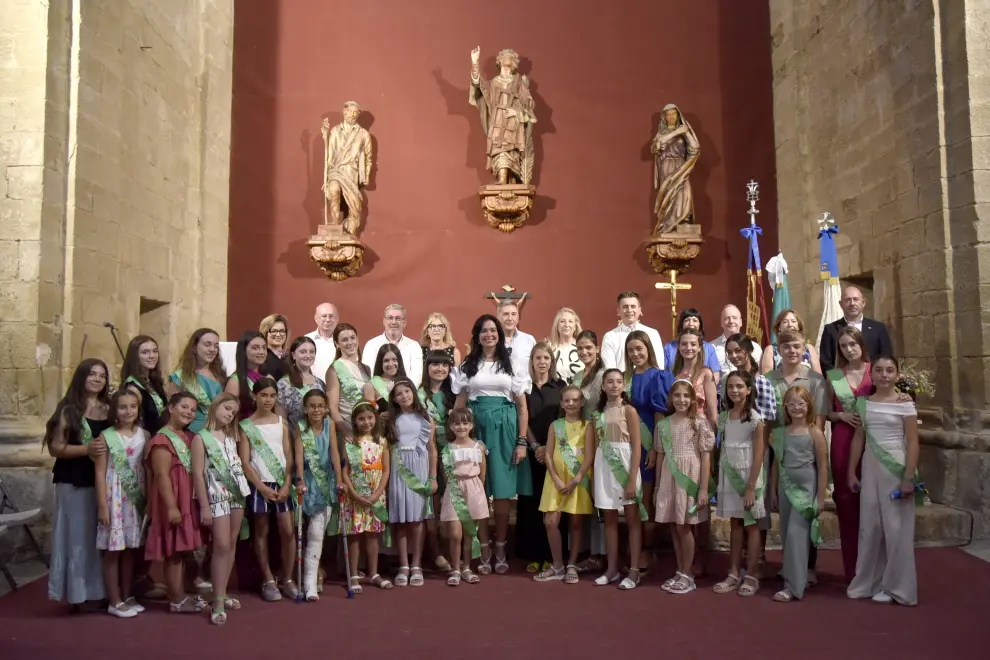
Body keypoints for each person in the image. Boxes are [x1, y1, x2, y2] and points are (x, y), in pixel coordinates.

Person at [453, 314, 532, 576]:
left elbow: (522, 408)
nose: (489, 335)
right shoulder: (467, 366)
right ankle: (483, 546)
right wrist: (457, 439)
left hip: (505, 428)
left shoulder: (512, 365)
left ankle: (500, 546)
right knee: (477, 489)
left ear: (499, 334)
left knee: (502, 491)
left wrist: (522, 441)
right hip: (476, 427)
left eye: (493, 330)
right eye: (484, 331)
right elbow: (460, 404)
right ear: (477, 336)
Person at [847, 357, 920, 606]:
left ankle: (898, 587)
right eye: (878, 370)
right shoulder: (864, 403)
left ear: (897, 375)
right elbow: (859, 438)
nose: (884, 375)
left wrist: (908, 477)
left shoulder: (905, 404)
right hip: (870, 467)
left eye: (890, 370)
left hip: (896, 467)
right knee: (870, 526)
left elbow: (912, 442)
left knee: (896, 529)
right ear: (872, 375)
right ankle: (869, 582)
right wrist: (850, 472)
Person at [44, 358, 110, 611]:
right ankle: (77, 594)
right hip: (74, 480)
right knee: (77, 539)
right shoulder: (69, 410)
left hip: (102, 481)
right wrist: (85, 449)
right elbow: (55, 448)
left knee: (97, 538)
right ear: (81, 377)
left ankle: (98, 590)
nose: (97, 379)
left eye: (102, 376)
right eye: (92, 374)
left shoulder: (108, 408)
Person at [764, 330, 828, 582]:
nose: (791, 350)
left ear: (804, 349)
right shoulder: (769, 379)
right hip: (777, 448)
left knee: (806, 509)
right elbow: (767, 418)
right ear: (778, 349)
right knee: (786, 510)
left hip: (805, 450)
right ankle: (789, 564)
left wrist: (811, 446)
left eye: (797, 346)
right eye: (786, 346)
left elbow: (820, 418)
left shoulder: (815, 380)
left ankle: (808, 567)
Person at [191, 393, 251, 624]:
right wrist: (204, 506)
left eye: (233, 412)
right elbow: (197, 473)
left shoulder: (229, 436)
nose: (229, 414)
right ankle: (216, 600)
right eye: (226, 408)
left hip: (235, 493)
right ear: (215, 406)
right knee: (221, 545)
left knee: (232, 542)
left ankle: (222, 592)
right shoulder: (200, 438)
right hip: (215, 494)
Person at [238, 378, 299, 602]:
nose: (268, 400)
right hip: (259, 484)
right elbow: (245, 461)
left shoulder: (281, 422)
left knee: (287, 531)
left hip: (281, 482)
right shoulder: (246, 426)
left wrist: (286, 483)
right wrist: (262, 487)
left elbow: (289, 456)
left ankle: (288, 577)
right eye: (263, 395)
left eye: (272, 396)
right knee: (261, 532)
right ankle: (267, 578)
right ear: (255, 396)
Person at [144, 392, 205, 613]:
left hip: (186, 498)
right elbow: (161, 476)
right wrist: (171, 506)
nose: (189, 412)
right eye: (184, 407)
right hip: (173, 500)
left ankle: (180, 594)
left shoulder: (187, 436)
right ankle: (177, 599)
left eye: (192, 409)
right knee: (173, 550)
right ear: (171, 408)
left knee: (182, 550)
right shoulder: (162, 439)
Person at [655, 379, 715, 595]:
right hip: (668, 479)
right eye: (677, 395)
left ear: (693, 399)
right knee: (673, 523)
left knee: (685, 525)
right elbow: (661, 457)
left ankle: (688, 573)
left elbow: (706, 458)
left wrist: (703, 489)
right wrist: (657, 489)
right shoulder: (663, 424)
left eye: (686, 396)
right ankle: (680, 570)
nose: (681, 400)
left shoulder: (699, 423)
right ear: (671, 398)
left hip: (690, 476)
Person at [768, 386, 828, 603]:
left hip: (806, 487)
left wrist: (820, 497)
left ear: (808, 405)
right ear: (785, 407)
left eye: (800, 403)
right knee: (786, 533)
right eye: (791, 404)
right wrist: (773, 489)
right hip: (785, 486)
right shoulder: (780, 434)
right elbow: (776, 463)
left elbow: (822, 467)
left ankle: (794, 587)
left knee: (797, 534)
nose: (796, 408)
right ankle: (793, 575)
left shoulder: (815, 432)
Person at [95, 388, 148, 618]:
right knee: (113, 550)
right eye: (123, 407)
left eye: (133, 406)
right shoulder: (106, 436)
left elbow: (147, 468)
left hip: (135, 496)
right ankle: (114, 600)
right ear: (115, 410)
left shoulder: (145, 435)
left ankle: (127, 595)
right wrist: (102, 506)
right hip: (114, 496)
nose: (128, 411)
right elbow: (99, 473)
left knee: (130, 549)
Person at [624, 329, 674, 573]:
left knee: (645, 501)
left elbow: (659, 415)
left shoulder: (658, 376)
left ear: (648, 350)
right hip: (628, 447)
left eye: (639, 349)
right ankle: (636, 548)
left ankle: (645, 551)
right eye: (631, 350)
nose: (635, 354)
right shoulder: (626, 378)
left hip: (649, 446)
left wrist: (656, 448)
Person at [825, 326, 872, 583]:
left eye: (852, 344)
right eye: (843, 346)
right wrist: (840, 415)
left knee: (872, 506)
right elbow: (824, 413)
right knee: (847, 505)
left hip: (872, 442)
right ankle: (853, 572)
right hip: (843, 440)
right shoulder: (835, 376)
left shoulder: (875, 370)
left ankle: (874, 570)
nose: (848, 349)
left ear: (861, 345)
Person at [713, 371, 765, 597]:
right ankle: (734, 572)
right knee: (735, 523)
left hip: (748, 477)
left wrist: (751, 486)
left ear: (749, 389)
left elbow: (759, 454)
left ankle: (752, 574)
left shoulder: (755, 419)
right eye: (731, 386)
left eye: (739, 386)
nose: (735, 391)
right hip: (729, 473)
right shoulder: (724, 417)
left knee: (751, 524)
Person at [590, 369, 644, 590]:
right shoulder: (597, 414)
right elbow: (595, 447)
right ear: (603, 386)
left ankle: (634, 570)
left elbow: (637, 446)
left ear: (624, 386)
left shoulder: (629, 411)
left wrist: (632, 478)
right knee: (609, 520)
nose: (614, 385)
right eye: (609, 382)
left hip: (625, 464)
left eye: (618, 382)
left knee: (632, 519)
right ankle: (612, 569)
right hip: (603, 465)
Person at [535, 385, 594, 584]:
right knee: (550, 522)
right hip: (555, 480)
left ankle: (571, 564)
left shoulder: (588, 425)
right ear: (561, 403)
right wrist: (557, 479)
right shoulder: (555, 425)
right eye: (567, 400)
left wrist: (577, 478)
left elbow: (589, 455)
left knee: (576, 524)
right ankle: (558, 564)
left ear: (582, 402)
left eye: (575, 400)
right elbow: (549, 455)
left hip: (578, 479)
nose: (571, 404)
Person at [384, 379, 437, 587]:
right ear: (394, 399)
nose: (404, 395)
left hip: (419, 470)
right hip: (398, 470)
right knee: (400, 519)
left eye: (407, 391)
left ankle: (416, 564)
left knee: (417, 519)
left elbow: (432, 449)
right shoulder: (390, 420)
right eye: (399, 393)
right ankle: (403, 564)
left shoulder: (425, 419)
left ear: (414, 393)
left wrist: (432, 477)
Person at [518, 343, 565, 573]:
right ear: (532, 361)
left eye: (546, 357)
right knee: (532, 504)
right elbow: (522, 417)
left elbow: (563, 419)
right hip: (531, 452)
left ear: (551, 361)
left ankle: (551, 555)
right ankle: (534, 555)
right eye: (538, 357)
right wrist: (536, 445)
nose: (542, 362)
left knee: (552, 505)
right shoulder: (524, 387)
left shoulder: (560, 387)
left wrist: (548, 447)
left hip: (554, 452)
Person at [340, 402, 392, 592]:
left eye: (370, 417)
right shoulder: (349, 442)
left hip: (375, 493)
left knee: (373, 535)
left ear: (376, 418)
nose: (366, 421)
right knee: (355, 535)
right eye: (361, 418)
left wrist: (377, 493)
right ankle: (353, 574)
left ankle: (373, 573)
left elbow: (386, 470)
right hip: (355, 494)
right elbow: (345, 470)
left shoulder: (382, 441)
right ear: (354, 421)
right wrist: (353, 493)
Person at [296, 389, 342, 601]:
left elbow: (334, 452)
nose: (316, 409)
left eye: (320, 406)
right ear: (305, 408)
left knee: (316, 534)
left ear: (325, 408)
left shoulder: (329, 425)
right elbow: (297, 457)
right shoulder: (299, 428)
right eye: (312, 406)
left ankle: (311, 583)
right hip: (306, 482)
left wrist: (340, 480)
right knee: (299, 533)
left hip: (325, 483)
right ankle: (306, 579)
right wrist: (300, 479)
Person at [440, 408, 489, 586]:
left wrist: (478, 490)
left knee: (469, 533)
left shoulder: (478, 447)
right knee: (455, 534)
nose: (461, 426)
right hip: (454, 490)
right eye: (457, 423)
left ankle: (467, 567)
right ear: (451, 426)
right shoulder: (448, 449)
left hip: (474, 489)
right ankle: (455, 569)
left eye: (465, 422)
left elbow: (483, 471)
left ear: (471, 425)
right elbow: (445, 474)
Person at [420, 350, 456, 572]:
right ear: (427, 366)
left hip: (450, 452)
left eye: (444, 365)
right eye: (435, 364)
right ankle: (435, 553)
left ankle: (451, 548)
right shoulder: (418, 393)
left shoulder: (454, 393)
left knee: (450, 502)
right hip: (425, 453)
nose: (440, 369)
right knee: (431, 503)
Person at [321, 100, 373, 234]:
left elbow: (369, 158)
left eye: (355, 113)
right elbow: (329, 155)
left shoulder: (363, 134)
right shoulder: (335, 131)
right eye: (349, 112)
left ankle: (350, 233)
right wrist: (326, 137)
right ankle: (335, 225)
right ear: (344, 112)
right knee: (333, 190)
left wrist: (366, 176)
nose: (352, 115)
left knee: (354, 209)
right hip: (337, 171)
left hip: (352, 172)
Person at [820, 286, 894, 372]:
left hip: (874, 381)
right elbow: (826, 362)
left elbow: (886, 357)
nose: (852, 303)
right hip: (842, 382)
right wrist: (840, 384)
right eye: (848, 300)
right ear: (841, 304)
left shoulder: (878, 328)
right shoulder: (830, 329)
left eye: (856, 299)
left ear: (863, 302)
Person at [167, 328, 227, 433]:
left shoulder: (220, 375)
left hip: (216, 433)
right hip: (191, 433)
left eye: (216, 346)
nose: (212, 349)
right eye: (207, 345)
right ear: (194, 347)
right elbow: (172, 413)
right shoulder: (181, 377)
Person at [326, 323, 372, 439]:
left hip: (368, 427)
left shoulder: (366, 368)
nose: (350, 343)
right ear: (337, 344)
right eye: (344, 340)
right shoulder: (334, 369)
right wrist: (346, 432)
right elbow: (333, 407)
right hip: (348, 428)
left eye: (352, 338)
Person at [361, 304, 424, 387]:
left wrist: (403, 393)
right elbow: (369, 374)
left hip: (406, 395)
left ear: (404, 322)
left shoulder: (414, 346)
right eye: (390, 318)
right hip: (378, 394)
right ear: (384, 321)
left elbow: (416, 376)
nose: (394, 322)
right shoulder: (371, 345)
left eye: (398, 318)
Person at [601, 291, 665, 371]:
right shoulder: (610, 336)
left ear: (640, 310)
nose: (629, 310)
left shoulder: (652, 333)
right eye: (625, 307)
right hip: (621, 382)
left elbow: (659, 364)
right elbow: (609, 369)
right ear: (618, 311)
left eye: (633, 306)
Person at [121, 335, 168, 433]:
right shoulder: (132, 387)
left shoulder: (153, 380)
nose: (152, 356)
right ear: (135, 356)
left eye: (155, 351)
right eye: (145, 352)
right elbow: (131, 422)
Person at [276, 336, 326, 428]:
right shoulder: (283, 384)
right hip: (295, 438)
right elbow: (281, 421)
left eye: (312, 352)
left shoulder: (320, 383)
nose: (308, 355)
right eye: (303, 352)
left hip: (320, 437)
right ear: (293, 355)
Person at [661, 308, 721, 382]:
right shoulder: (669, 347)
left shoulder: (709, 348)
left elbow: (715, 375)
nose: (691, 323)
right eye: (687, 320)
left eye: (695, 320)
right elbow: (663, 372)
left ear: (700, 325)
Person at [761, 310, 823, 375]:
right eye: (785, 322)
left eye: (793, 321)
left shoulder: (809, 348)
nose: (790, 325)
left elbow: (818, 378)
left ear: (799, 326)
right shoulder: (770, 349)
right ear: (779, 327)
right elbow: (767, 378)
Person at [225, 330, 268, 420]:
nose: (261, 352)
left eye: (264, 348)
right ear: (243, 350)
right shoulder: (235, 381)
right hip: (244, 429)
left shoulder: (269, 378)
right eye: (255, 348)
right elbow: (228, 414)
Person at [711, 304, 763, 373]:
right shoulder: (712, 348)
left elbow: (760, 372)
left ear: (741, 322)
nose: (731, 321)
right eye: (727, 318)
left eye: (735, 318)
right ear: (721, 323)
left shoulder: (755, 347)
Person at [498, 299, 537, 375]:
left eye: (513, 314)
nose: (510, 318)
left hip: (524, 386)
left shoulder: (529, 340)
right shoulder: (492, 341)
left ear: (518, 317)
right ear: (498, 317)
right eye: (506, 314)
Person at [366, 343, 408, 410]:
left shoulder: (406, 382)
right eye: (386, 361)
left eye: (394, 359)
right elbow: (369, 414)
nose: (391, 364)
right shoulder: (371, 385)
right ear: (380, 363)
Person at [306, 302, 339, 382]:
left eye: (331, 316)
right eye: (324, 316)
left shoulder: (343, 341)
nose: (327, 320)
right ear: (316, 318)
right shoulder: (306, 340)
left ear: (337, 318)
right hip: (312, 389)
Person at [549, 307, 583, 381]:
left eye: (570, 321)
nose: (566, 324)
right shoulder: (549, 348)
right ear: (557, 325)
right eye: (562, 321)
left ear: (575, 326)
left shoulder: (582, 347)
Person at [258, 314, 290, 382]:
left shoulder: (292, 356)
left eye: (282, 331)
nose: (278, 335)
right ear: (265, 332)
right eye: (274, 331)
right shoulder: (259, 356)